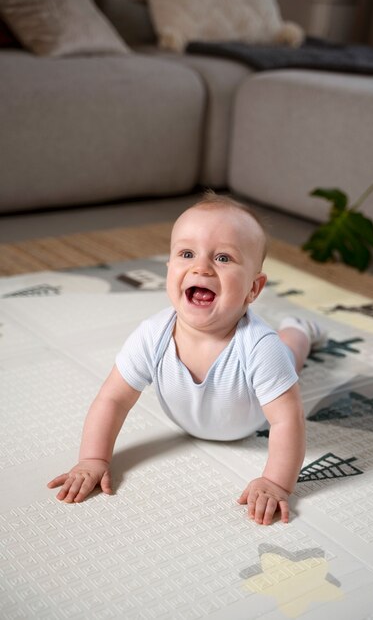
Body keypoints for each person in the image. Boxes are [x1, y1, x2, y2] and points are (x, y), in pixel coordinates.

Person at [48, 192, 326, 525]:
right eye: (187, 253)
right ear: (169, 269)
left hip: (251, 417)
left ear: (254, 288)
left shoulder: (260, 348)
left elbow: (286, 420)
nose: (201, 267)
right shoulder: (152, 334)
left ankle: (300, 330)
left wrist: (276, 483)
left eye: (223, 258)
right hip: (191, 419)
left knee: (289, 352)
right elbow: (113, 398)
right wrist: (92, 458)